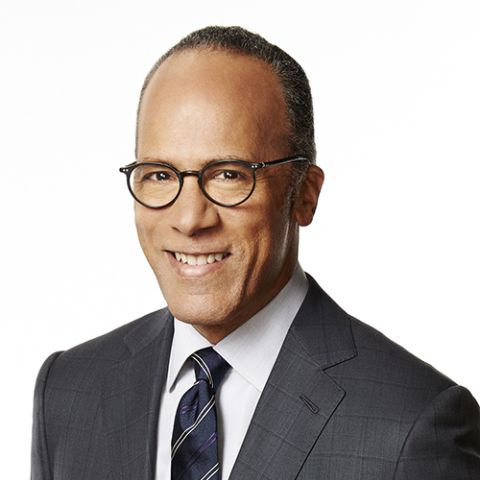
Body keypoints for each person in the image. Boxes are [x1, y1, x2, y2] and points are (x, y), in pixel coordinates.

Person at [31, 26, 480, 480]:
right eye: (160, 175)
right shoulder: (68, 392)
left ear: (305, 194)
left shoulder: (414, 427)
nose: (189, 219)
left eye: (229, 175)